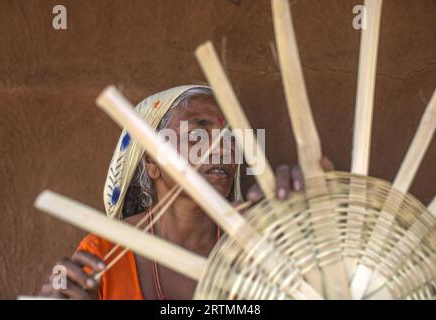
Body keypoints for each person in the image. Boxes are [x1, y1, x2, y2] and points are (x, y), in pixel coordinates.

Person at [40, 85, 335, 299]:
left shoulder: (262, 243)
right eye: (199, 132)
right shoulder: (103, 252)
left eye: (230, 136)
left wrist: (312, 223)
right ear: (152, 163)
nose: (222, 147)